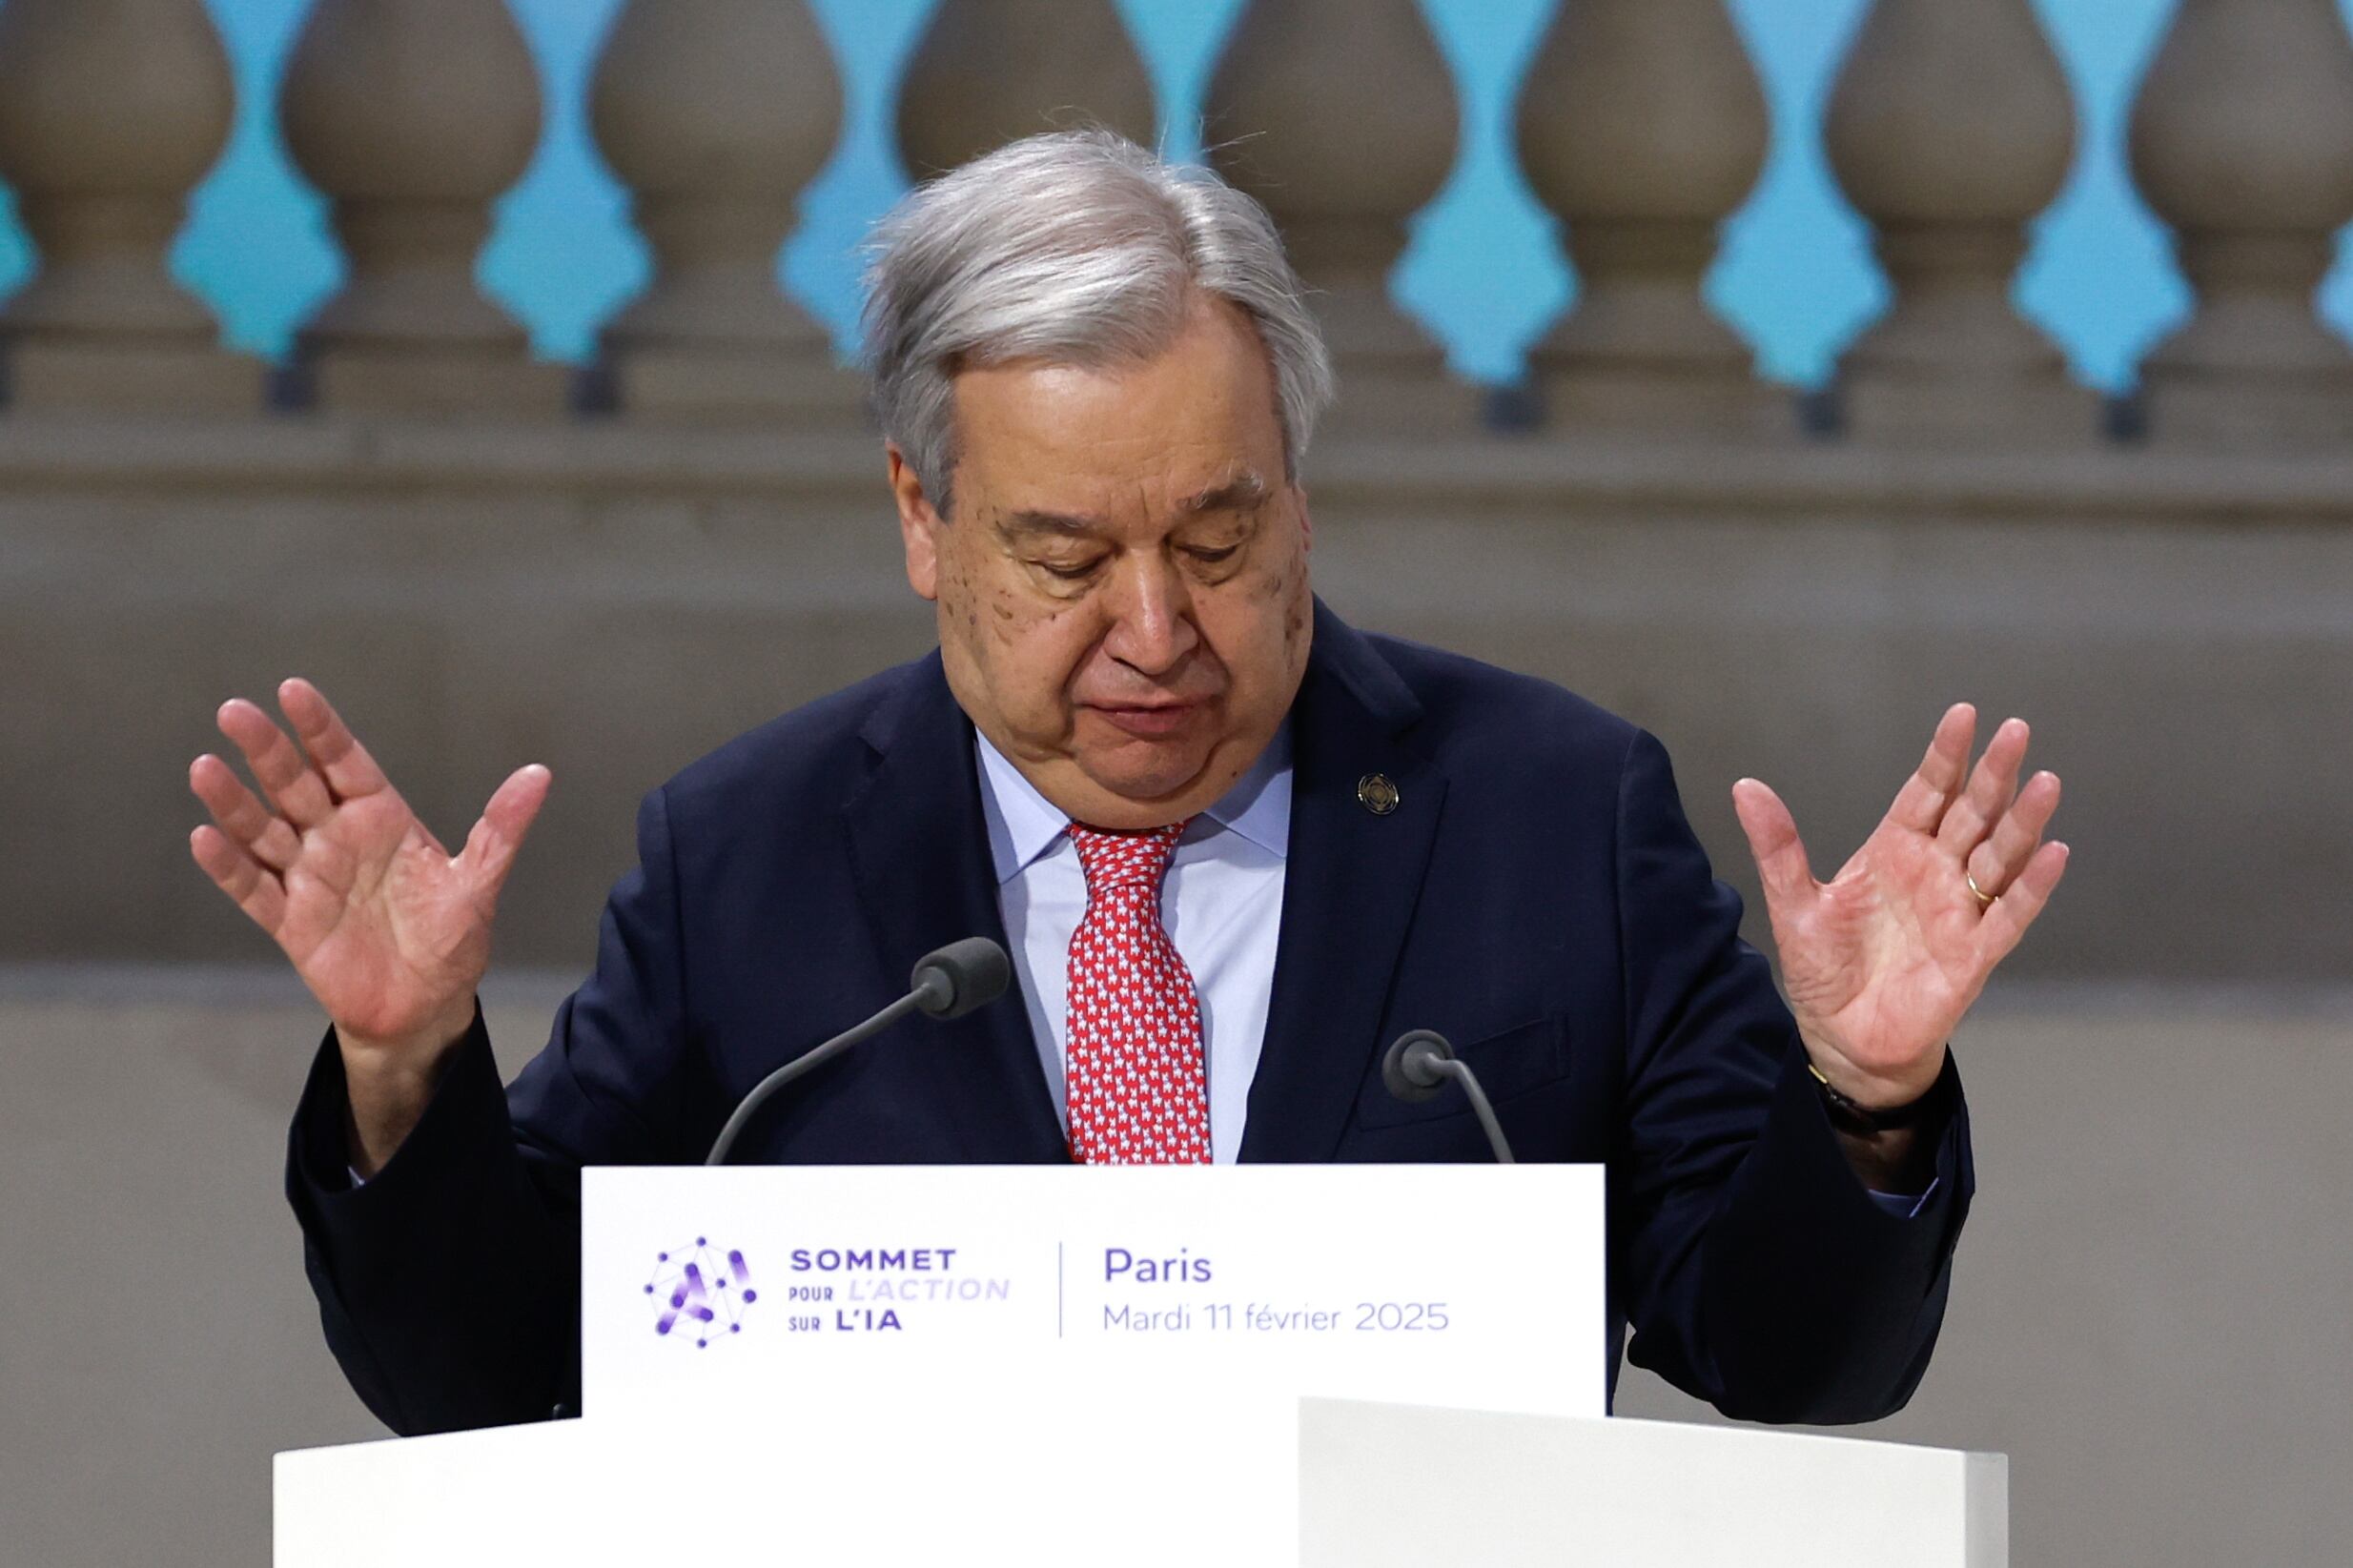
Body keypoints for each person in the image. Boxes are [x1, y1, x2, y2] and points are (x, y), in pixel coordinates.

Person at [186, 132, 2066, 1437]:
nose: (1158, 630)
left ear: (1299, 494)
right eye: (1069, 556)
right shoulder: (749, 857)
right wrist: (405, 1070)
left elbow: (1793, 1357)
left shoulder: (1547, 817)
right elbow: (493, 1369)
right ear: (922, 519)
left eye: (1222, 535)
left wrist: (1867, 1096)